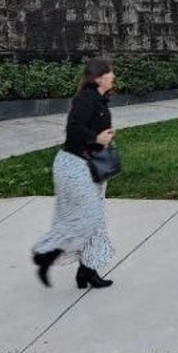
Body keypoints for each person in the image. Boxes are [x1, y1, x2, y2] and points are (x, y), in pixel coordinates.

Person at [30, 56, 118, 290]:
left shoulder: (99, 99)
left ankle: (86, 271)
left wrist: (104, 138)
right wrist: (96, 138)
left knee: (94, 219)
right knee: (87, 218)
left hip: (91, 166)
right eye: (110, 72)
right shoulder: (86, 99)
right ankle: (45, 255)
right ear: (98, 77)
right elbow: (73, 129)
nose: (113, 76)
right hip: (75, 165)